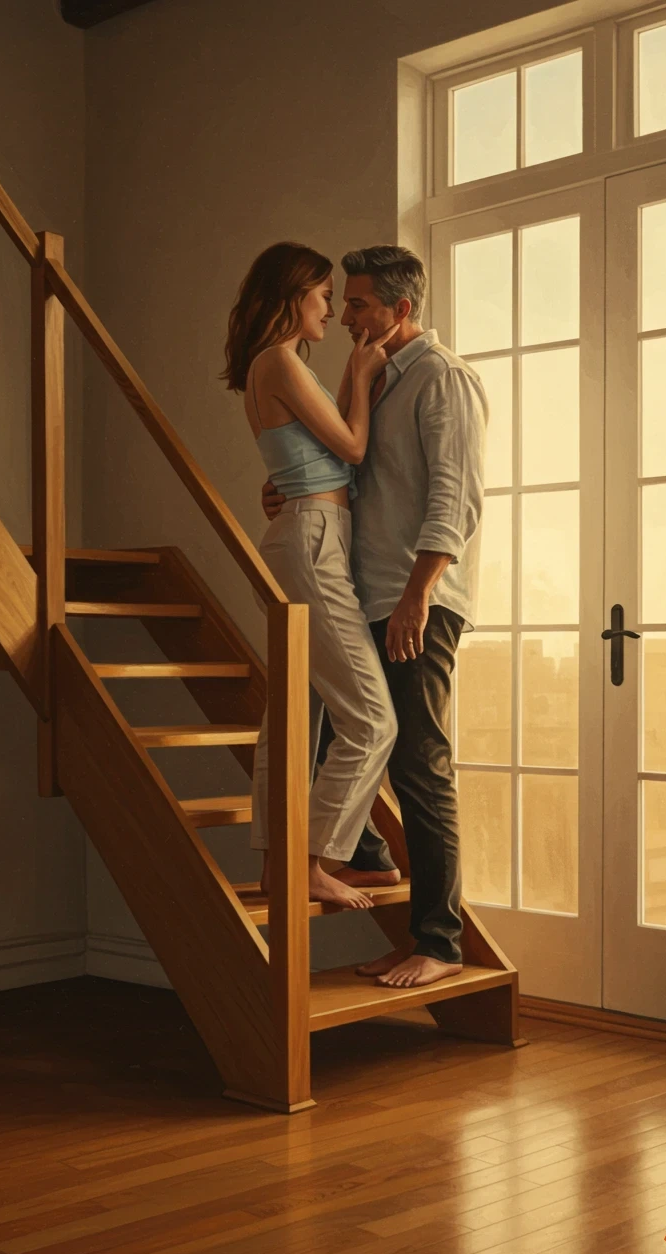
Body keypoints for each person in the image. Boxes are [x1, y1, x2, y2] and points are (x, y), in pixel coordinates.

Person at [263, 245, 487, 989]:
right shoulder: (378, 374)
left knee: (419, 764)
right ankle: (370, 859)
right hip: (367, 593)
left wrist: (418, 596)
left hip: (413, 600)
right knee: (353, 728)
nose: (346, 315)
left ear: (400, 311)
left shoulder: (442, 378)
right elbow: (356, 472)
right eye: (343, 302)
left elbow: (455, 499)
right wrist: (288, 490)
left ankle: (440, 941)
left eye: (358, 304)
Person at [223, 241, 399, 910]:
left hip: (308, 533)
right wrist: (359, 373)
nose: (332, 308)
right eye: (324, 295)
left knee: (296, 715)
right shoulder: (278, 361)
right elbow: (351, 447)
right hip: (311, 539)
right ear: (294, 297)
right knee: (373, 719)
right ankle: (313, 859)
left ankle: (279, 865)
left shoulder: (279, 365)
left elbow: (315, 462)